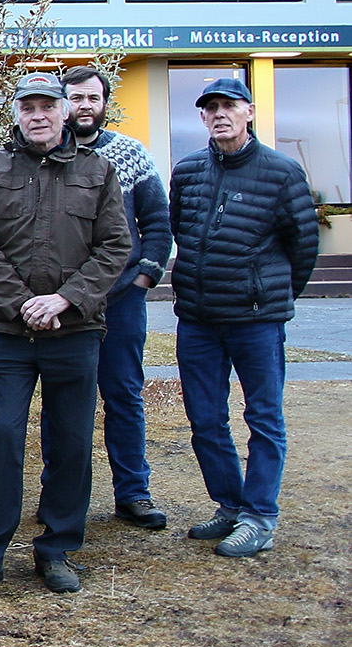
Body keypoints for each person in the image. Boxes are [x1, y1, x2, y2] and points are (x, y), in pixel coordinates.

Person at [0, 73, 130, 597]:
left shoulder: (98, 171)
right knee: (4, 435)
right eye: (27, 107)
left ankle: (58, 550)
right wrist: (22, 304)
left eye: (46, 106)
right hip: (7, 332)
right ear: (16, 114)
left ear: (64, 112)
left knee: (73, 441)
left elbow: (115, 246)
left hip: (75, 331)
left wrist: (65, 299)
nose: (38, 116)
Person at [169, 76, 319, 558]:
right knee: (205, 418)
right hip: (197, 319)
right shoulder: (188, 171)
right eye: (210, 108)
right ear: (203, 117)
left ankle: (260, 516)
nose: (220, 115)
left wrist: (270, 295)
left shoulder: (282, 172)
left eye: (229, 106)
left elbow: (304, 245)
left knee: (264, 418)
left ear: (249, 112)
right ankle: (230, 505)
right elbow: (181, 230)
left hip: (256, 320)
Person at [63, 65, 174, 529]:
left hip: (121, 300)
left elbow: (158, 224)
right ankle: (64, 493)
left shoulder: (130, 153)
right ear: (62, 102)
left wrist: (144, 278)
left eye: (92, 98)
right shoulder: (49, 156)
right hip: (65, 300)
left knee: (124, 393)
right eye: (76, 98)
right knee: (68, 398)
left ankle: (134, 491)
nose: (84, 106)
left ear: (104, 102)